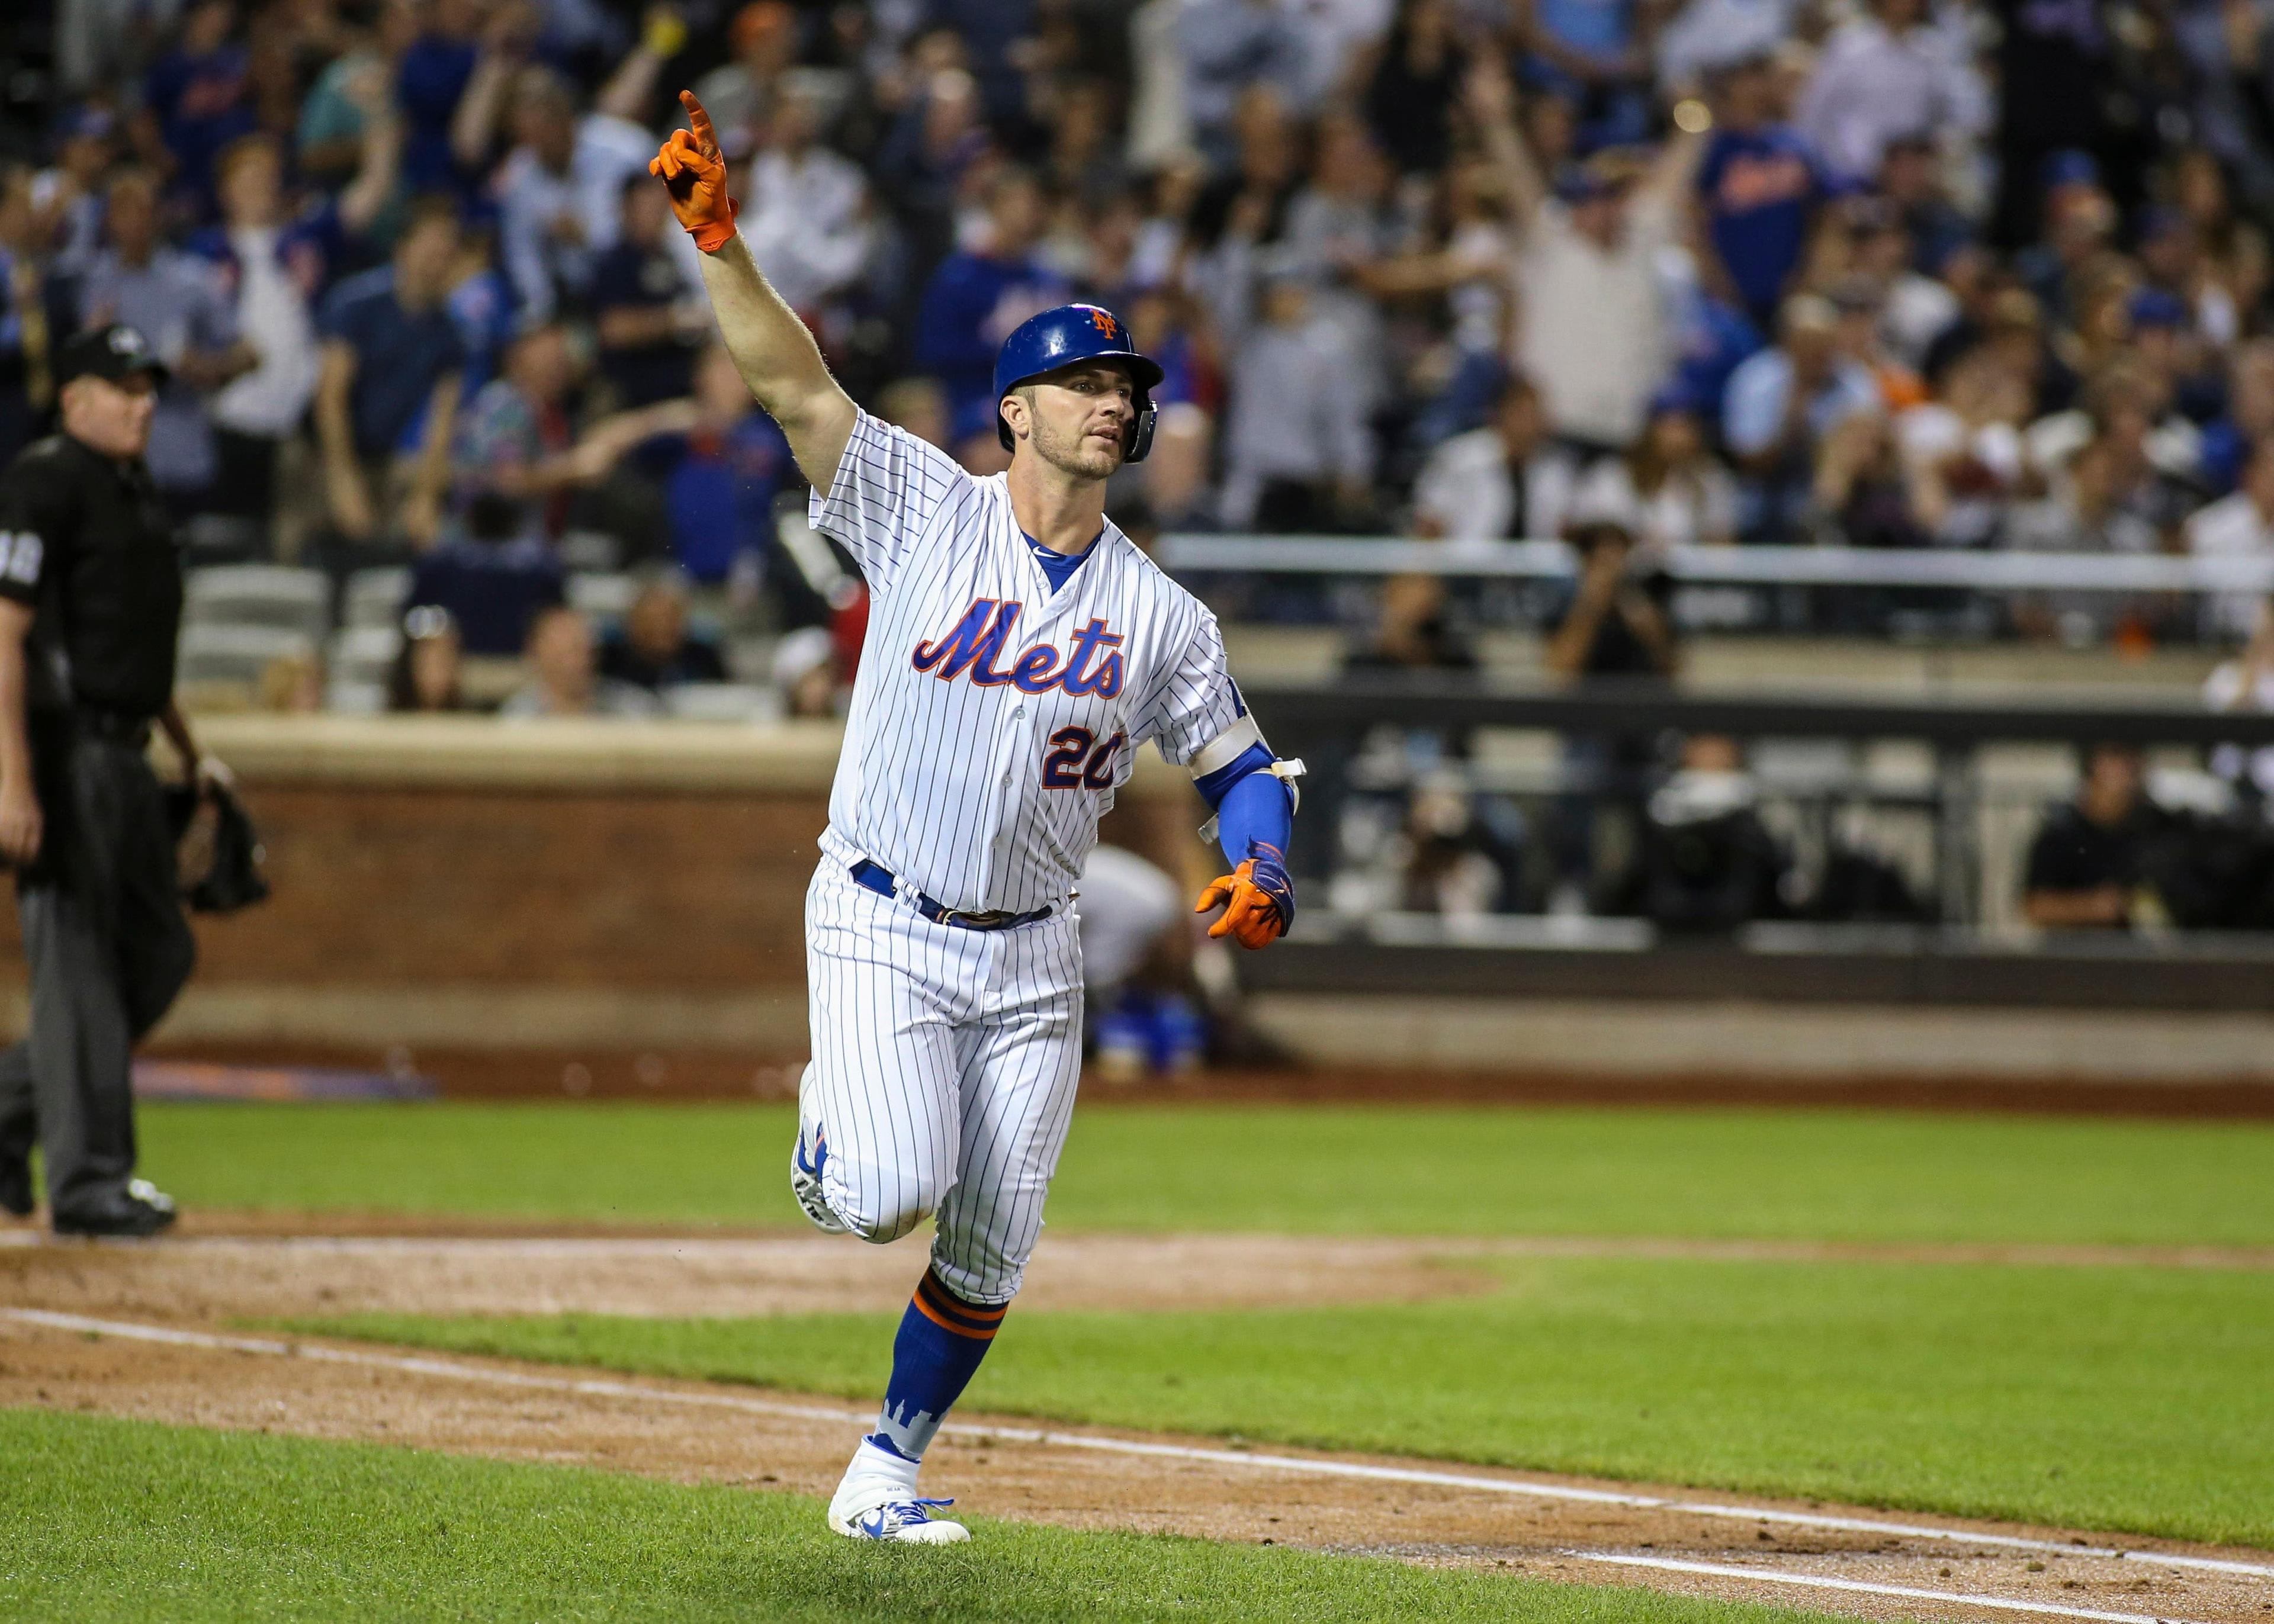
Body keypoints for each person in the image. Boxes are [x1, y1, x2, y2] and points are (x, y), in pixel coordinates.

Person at [652, 92, 1301, 1543]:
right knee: (887, 1186)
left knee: (995, 1245)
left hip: (1032, 953)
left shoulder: (1159, 611)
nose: (1111, 400)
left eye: (1123, 385)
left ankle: (883, 1464)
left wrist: (1262, 856)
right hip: (884, 907)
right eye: (1082, 382)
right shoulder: (921, 508)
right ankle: (834, 1132)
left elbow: (1237, 759)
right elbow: (793, 385)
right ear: (1015, 407)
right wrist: (716, 239)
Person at [0, 324, 226, 1236]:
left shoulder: (129, 487)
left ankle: (10, 1108)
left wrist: (189, 746)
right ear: (74, 398)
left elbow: (136, 646)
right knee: (81, 966)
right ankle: (92, 1180)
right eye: (119, 386)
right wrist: (12, 780)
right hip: (62, 754)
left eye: (146, 388)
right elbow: (4, 634)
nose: (140, 402)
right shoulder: (44, 480)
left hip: (126, 753)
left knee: (157, 952)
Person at [314, 196, 467, 551]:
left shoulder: (452, 333)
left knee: (404, 544)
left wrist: (426, 497)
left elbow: (442, 420)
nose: (440, 253)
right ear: (403, 248)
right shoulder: (356, 305)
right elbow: (330, 399)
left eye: (448, 245)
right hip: (323, 451)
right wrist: (342, 480)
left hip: (386, 457)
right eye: (431, 241)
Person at [2020, 742, 2169, 931]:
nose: (2127, 768)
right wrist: (2095, 907)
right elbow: (2034, 907)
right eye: (2116, 757)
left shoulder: (2156, 828)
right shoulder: (2062, 834)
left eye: (2133, 757)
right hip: (2078, 951)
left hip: (2144, 954)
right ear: (2092, 765)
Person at [499, 604, 659, 718]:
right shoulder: (517, 718)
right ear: (535, 654)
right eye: (563, 654)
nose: (575, 663)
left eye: (581, 649)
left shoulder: (632, 709)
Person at [596, 568, 729, 691]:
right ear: (632, 624)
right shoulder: (608, 661)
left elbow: (726, 695)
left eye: (670, 620)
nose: (662, 628)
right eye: (652, 620)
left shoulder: (703, 658)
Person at [387, 602, 465, 711]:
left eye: (441, 661)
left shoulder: (475, 721)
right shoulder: (386, 719)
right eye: (426, 661)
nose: (434, 671)